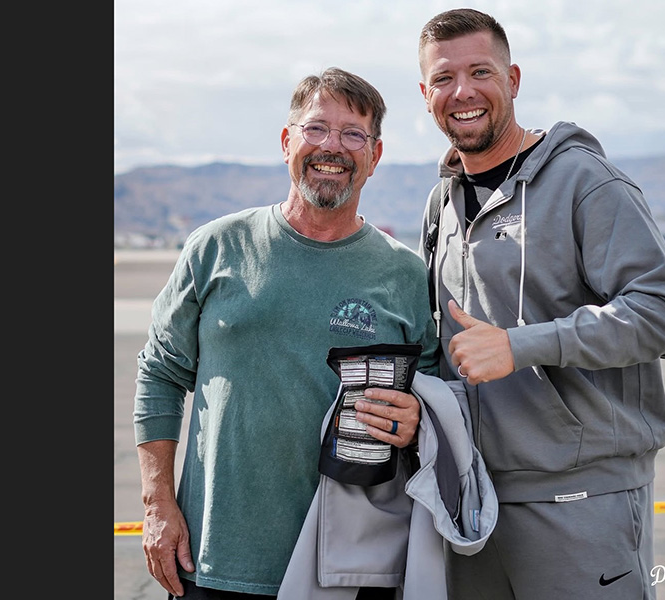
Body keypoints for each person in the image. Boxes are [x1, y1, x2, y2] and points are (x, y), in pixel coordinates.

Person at [416, 8, 665, 599]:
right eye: (443, 78)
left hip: (582, 502)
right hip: (475, 506)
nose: (462, 92)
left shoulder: (583, 182)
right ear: (426, 94)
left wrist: (523, 345)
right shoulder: (440, 204)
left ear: (513, 79)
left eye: (480, 72)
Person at [133, 67, 439, 600]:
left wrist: (420, 418)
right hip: (214, 558)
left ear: (375, 155)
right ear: (286, 141)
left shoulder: (407, 276)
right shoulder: (216, 248)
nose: (332, 147)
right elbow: (159, 374)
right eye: (316, 128)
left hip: (351, 567)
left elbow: (438, 402)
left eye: (352, 134)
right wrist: (158, 503)